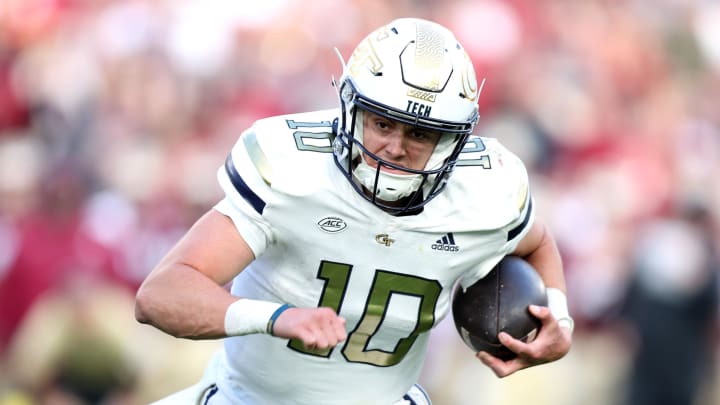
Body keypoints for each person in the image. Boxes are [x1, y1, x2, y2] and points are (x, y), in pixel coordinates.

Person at [134, 17, 573, 405]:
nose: (395, 148)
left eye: (420, 134)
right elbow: (161, 295)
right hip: (248, 398)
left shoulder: (485, 191)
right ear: (350, 107)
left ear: (452, 141)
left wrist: (560, 320)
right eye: (382, 123)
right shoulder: (291, 169)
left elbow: (537, 242)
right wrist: (275, 318)